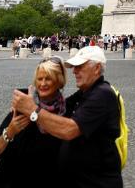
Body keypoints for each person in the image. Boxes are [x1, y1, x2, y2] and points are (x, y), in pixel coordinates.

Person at [12, 45, 123, 187]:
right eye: (74, 67)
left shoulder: (102, 94)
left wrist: (32, 110)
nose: (74, 71)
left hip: (98, 183)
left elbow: (69, 130)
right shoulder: (85, 92)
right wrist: (30, 98)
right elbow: (58, 107)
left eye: (80, 67)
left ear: (97, 68)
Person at [0, 59, 66, 187]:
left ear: (59, 81)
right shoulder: (21, 107)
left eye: (48, 79)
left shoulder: (66, 113)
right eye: (39, 79)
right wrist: (10, 132)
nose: (43, 83)